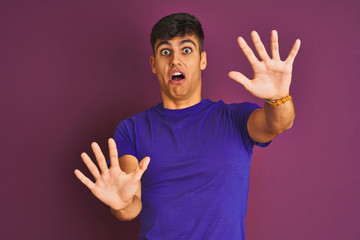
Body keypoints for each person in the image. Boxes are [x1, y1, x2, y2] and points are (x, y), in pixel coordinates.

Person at [74, 12, 300, 240]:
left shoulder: (235, 119)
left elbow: (278, 122)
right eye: (165, 52)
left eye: (186, 50)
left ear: (202, 60)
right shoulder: (131, 130)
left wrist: (279, 98)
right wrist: (121, 205)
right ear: (154, 64)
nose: (175, 60)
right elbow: (130, 204)